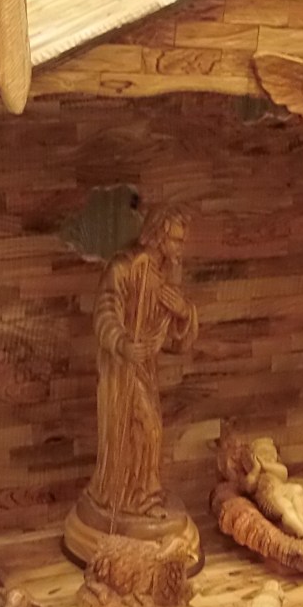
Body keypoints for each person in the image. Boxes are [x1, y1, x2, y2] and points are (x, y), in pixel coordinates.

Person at [86, 206, 199, 517]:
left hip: (145, 367)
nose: (180, 247)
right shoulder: (124, 268)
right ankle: (133, 499)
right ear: (159, 237)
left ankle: (136, 496)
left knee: (148, 431)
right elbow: (105, 310)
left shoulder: (167, 276)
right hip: (120, 368)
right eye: (176, 240)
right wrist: (122, 342)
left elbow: (175, 339)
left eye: (182, 241)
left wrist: (183, 313)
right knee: (143, 428)